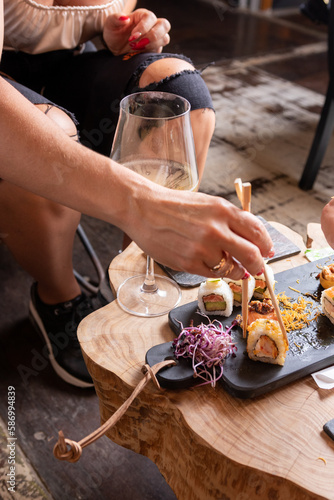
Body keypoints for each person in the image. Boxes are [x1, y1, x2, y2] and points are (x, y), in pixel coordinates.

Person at [0, 0, 274, 388]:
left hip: (66, 67)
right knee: (50, 134)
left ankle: (135, 274)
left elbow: (96, 22)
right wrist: (141, 206)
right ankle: (57, 294)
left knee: (182, 92)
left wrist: (118, 32)